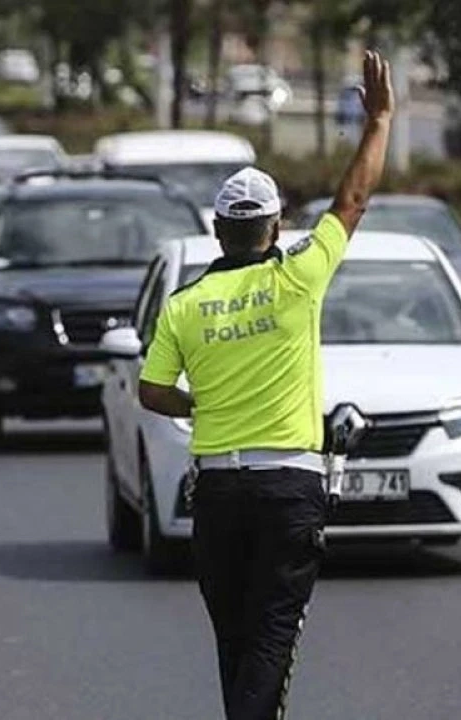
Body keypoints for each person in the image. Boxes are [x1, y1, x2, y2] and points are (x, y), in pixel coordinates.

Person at [137, 50, 395, 720]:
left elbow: (151, 391)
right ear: (276, 227)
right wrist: (380, 121)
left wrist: (201, 403)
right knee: (272, 637)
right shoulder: (299, 276)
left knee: (236, 636)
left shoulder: (186, 304)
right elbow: (354, 199)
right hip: (289, 489)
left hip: (219, 490)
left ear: (219, 230)